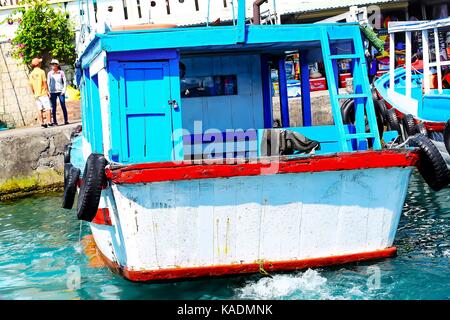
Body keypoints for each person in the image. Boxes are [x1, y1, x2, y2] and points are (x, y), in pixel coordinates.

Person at [29, 57, 52, 128]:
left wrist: (33, 93)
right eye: (40, 62)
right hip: (43, 93)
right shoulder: (41, 72)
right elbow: (44, 82)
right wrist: (47, 91)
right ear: (38, 64)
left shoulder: (31, 73)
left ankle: (42, 123)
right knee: (48, 108)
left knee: (40, 109)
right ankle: (49, 122)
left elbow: (31, 85)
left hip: (36, 94)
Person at [47, 59, 69, 125]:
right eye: (52, 64)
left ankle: (66, 120)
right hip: (52, 92)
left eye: (54, 64)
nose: (52, 66)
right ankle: (55, 122)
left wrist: (64, 90)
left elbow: (65, 81)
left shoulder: (61, 72)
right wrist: (48, 91)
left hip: (60, 91)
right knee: (53, 107)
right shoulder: (50, 73)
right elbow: (48, 83)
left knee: (63, 105)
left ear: (57, 65)